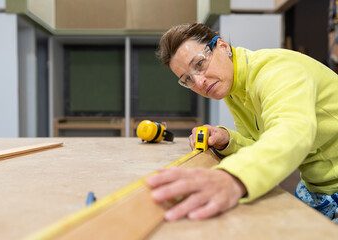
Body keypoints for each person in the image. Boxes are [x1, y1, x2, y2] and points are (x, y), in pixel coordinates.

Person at [145, 23, 338, 222]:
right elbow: (261, 145)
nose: (199, 82)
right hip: (317, 187)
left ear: (223, 47)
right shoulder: (234, 88)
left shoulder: (278, 71)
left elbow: (292, 133)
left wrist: (233, 177)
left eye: (200, 64)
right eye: (187, 80)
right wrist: (228, 140)